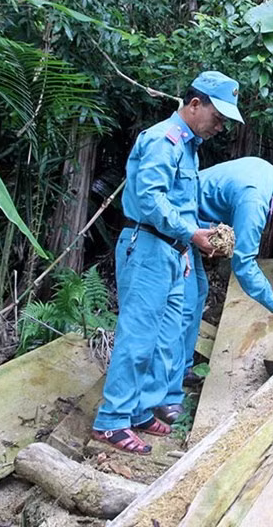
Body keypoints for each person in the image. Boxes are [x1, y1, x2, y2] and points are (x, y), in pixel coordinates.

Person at [92, 71, 244, 455]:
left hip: (174, 251)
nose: (220, 126)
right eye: (218, 117)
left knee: (167, 336)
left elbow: (180, 206)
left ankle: (141, 409)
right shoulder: (163, 140)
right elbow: (150, 200)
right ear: (195, 105)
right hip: (146, 246)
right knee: (138, 334)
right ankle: (112, 420)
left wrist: (200, 234)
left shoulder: (189, 146)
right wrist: (190, 234)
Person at [160, 155, 273, 408]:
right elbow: (243, 264)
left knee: (199, 291)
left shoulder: (266, 172)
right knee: (184, 305)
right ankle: (165, 391)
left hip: (190, 222)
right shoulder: (256, 197)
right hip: (176, 225)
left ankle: (182, 368)